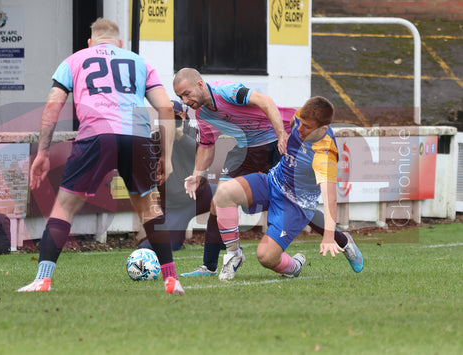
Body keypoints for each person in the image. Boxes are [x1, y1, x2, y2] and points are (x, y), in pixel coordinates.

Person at [18, 18, 184, 295]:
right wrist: (165, 158)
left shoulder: (74, 60)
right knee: (149, 210)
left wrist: (43, 152)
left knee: (65, 209)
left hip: (96, 135)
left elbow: (52, 106)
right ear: (120, 43)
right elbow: (165, 109)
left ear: (90, 42)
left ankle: (42, 280)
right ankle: (171, 280)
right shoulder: (140, 62)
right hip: (137, 137)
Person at [212, 96, 364, 280]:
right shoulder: (302, 117)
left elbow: (330, 197)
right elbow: (291, 119)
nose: (299, 129)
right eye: (301, 124)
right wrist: (281, 134)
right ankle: (234, 255)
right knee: (224, 192)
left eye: (306, 127)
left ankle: (295, 266)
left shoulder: (324, 154)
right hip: (272, 182)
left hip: (295, 205)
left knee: (266, 257)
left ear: (323, 129)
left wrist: (329, 237)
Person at [172, 68, 297, 277]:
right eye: (180, 97)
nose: (184, 101)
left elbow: (265, 101)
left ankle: (338, 241)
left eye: (186, 94)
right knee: (217, 200)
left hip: (276, 143)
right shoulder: (202, 114)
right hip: (246, 150)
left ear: (200, 85)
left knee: (289, 202)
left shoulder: (227, 91)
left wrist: (282, 134)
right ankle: (211, 265)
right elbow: (206, 145)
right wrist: (197, 174)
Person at [138, 100, 214, 251]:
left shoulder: (194, 133)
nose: (171, 122)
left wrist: (180, 136)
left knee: (226, 196)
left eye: (175, 118)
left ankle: (220, 239)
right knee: (161, 246)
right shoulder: (154, 139)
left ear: (184, 117)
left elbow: (201, 155)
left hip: (200, 194)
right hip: (175, 205)